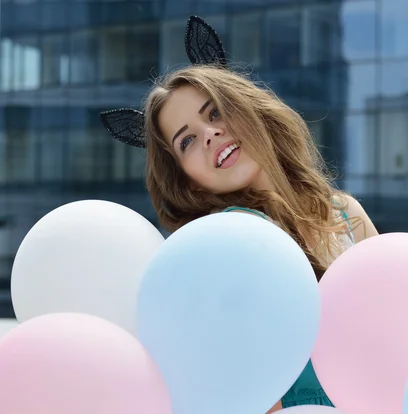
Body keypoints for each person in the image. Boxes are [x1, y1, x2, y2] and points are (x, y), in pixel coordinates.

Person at [100, 15, 378, 412]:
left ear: (250, 111)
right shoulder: (220, 250)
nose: (210, 134)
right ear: (190, 180)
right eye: (188, 141)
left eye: (214, 113)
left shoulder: (346, 215)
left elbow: (394, 333)